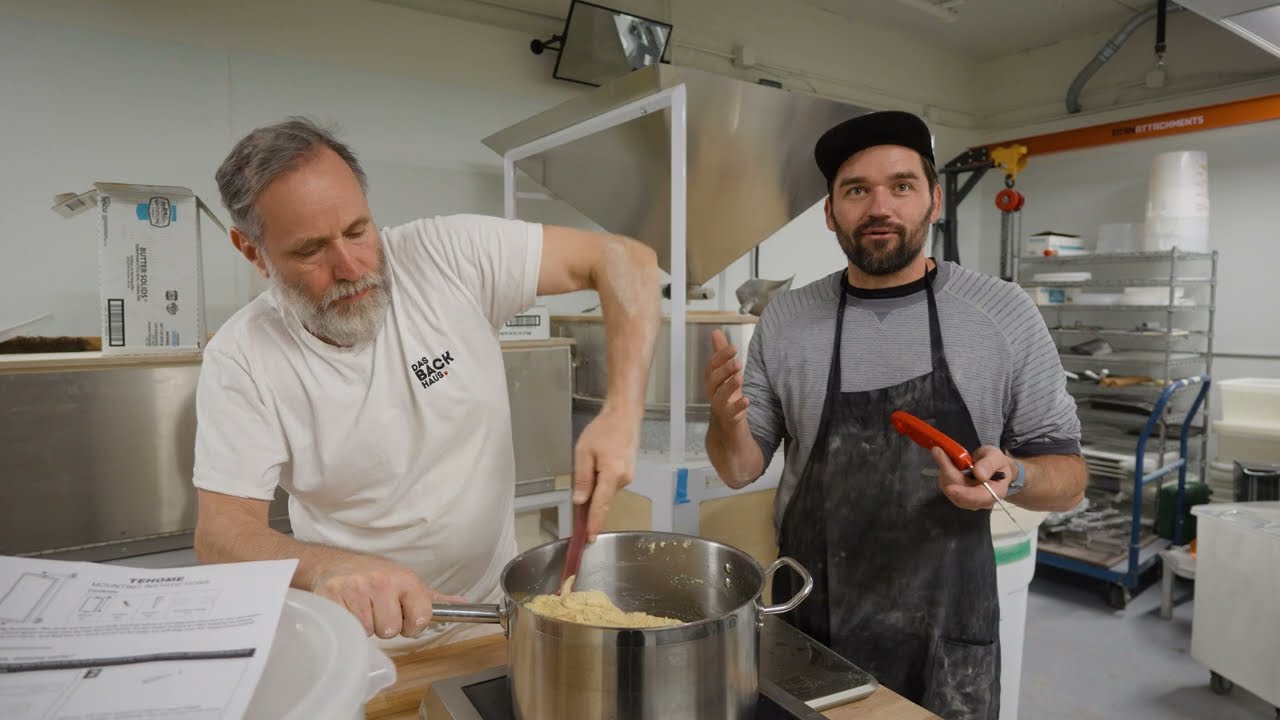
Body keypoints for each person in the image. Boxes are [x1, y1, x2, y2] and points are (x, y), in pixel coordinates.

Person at [193, 117, 659, 653]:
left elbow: (627, 259)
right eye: (310, 250)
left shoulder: (445, 256)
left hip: (493, 621)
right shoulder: (243, 356)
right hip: (361, 642)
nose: (350, 266)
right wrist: (327, 567)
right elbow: (221, 534)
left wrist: (622, 412)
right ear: (252, 251)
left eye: (357, 231)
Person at [702, 110, 1086, 719]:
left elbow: (1068, 477)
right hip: (810, 619)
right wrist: (723, 423)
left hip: (946, 630)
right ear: (831, 212)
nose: (879, 207)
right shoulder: (788, 318)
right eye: (856, 190)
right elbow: (740, 468)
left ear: (934, 201)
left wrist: (1018, 474)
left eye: (901, 186)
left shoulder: (1001, 313)